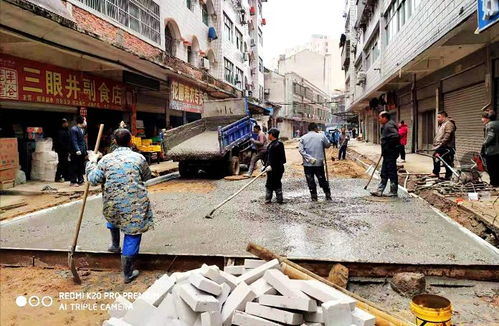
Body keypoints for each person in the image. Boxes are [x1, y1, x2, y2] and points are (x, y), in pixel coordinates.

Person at [86, 128, 154, 283]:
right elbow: (146, 176)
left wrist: (91, 161)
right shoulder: (139, 158)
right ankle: (127, 273)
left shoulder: (105, 160)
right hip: (135, 205)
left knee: (115, 213)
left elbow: (93, 179)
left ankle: (115, 245)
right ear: (131, 141)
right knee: (132, 232)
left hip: (112, 205)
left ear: (114, 142)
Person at [299, 122, 332, 201]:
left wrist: (309, 158)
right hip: (319, 163)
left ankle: (314, 196)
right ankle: (327, 194)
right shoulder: (321, 136)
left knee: (310, 180)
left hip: (308, 164)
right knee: (322, 179)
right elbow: (328, 145)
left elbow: (300, 150)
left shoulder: (303, 138)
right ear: (315, 128)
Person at [371, 111, 400, 197]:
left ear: (385, 118)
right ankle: (380, 190)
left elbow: (396, 136)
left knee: (391, 171)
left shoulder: (389, 125)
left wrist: (387, 147)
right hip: (387, 153)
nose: (379, 120)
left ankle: (393, 191)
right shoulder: (387, 125)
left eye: (380, 118)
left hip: (390, 153)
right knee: (384, 171)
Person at [431, 111, 456, 180]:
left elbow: (448, 135)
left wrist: (442, 144)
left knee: (446, 161)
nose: (437, 119)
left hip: (447, 147)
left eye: (439, 117)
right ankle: (437, 173)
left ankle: (447, 176)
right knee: (437, 157)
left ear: (443, 117)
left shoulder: (449, 124)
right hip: (442, 146)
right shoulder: (443, 124)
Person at [264, 128, 286, 204]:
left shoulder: (279, 145)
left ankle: (279, 200)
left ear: (271, 135)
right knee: (269, 183)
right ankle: (268, 199)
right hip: (270, 169)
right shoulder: (270, 145)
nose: (267, 135)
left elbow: (282, 159)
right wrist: (265, 165)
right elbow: (268, 158)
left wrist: (272, 166)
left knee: (276, 183)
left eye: (268, 134)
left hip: (277, 169)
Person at [481, 111, 499, 187]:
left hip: (492, 150)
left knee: (491, 168)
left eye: (483, 118)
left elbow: (490, 136)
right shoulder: (497, 123)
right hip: (497, 150)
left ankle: (493, 183)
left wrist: (484, 143)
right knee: (497, 167)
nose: (482, 119)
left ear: (487, 118)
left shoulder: (490, 125)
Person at [69, 116, 87, 186]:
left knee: (80, 166)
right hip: (75, 152)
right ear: (81, 121)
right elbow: (74, 141)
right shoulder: (74, 129)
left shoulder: (83, 129)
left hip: (82, 151)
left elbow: (83, 141)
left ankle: (81, 180)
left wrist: (85, 151)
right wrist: (77, 149)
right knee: (74, 166)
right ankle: (73, 181)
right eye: (84, 120)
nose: (85, 122)